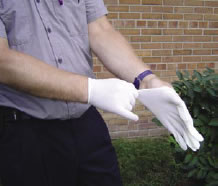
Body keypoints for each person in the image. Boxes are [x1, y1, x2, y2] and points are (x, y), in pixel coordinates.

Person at [0, 0, 203, 186]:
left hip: (86, 125)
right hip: (25, 131)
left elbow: (100, 30)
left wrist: (148, 80)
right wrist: (90, 89)